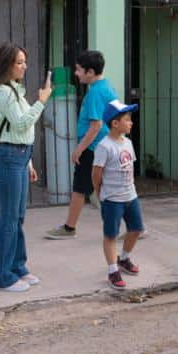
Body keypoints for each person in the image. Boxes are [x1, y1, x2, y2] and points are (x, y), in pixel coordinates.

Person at [0, 43, 51, 292]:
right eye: (19, 62)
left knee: (18, 218)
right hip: (10, 158)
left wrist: (29, 163)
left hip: (21, 157)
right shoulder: (3, 92)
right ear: (7, 65)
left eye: (25, 61)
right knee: (9, 219)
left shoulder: (16, 91)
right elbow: (22, 123)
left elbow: (21, 132)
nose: (24, 66)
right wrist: (41, 101)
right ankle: (1, 276)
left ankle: (16, 267)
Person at [45, 50, 117, 240]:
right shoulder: (106, 86)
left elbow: (95, 126)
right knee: (113, 190)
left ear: (90, 72)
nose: (76, 74)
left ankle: (69, 228)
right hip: (104, 146)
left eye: (78, 70)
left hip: (92, 148)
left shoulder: (95, 93)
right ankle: (135, 226)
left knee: (79, 189)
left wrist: (79, 149)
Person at [93, 100, 144, 290]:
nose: (131, 123)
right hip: (112, 199)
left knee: (136, 229)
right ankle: (112, 270)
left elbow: (129, 168)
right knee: (110, 235)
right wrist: (100, 193)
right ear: (115, 123)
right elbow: (96, 174)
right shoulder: (104, 147)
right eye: (127, 119)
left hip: (130, 196)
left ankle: (123, 259)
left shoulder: (128, 143)